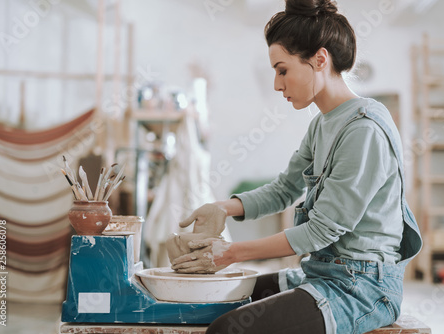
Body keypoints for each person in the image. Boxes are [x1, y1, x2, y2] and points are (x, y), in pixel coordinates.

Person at [170, 0, 422, 333]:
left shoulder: (364, 129)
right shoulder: (322, 124)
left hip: (362, 288)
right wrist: (222, 208)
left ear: (320, 59)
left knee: (227, 330)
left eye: (283, 69)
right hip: (322, 273)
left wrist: (230, 253)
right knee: (218, 301)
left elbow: (321, 231)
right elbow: (285, 188)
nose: (277, 84)